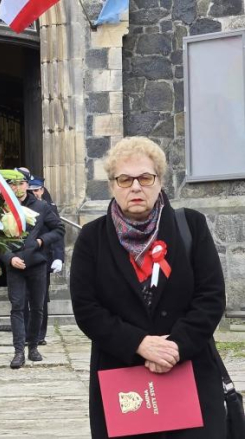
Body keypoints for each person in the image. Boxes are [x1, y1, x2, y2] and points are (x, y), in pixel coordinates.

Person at [70, 137, 225, 438]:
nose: (136, 187)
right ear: (112, 185)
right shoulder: (92, 238)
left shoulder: (191, 226)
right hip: (123, 380)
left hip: (189, 372)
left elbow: (211, 297)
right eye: (125, 179)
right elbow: (87, 309)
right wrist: (140, 344)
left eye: (145, 177)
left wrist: (173, 347)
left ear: (160, 181)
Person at [0, 169, 64, 369]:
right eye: (12, 184)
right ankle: (18, 352)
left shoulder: (42, 206)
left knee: (37, 307)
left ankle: (33, 345)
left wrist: (41, 240)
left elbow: (59, 229)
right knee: (17, 307)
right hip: (15, 265)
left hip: (37, 263)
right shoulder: (2, 207)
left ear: (27, 185)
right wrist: (9, 258)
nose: (17, 188)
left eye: (20, 183)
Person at [27, 177, 65, 345]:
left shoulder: (49, 208)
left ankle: (40, 334)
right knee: (24, 297)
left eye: (37, 190)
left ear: (42, 190)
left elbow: (58, 234)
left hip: (44, 258)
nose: (34, 193)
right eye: (32, 190)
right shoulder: (23, 207)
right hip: (26, 257)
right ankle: (27, 332)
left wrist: (58, 257)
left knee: (41, 298)